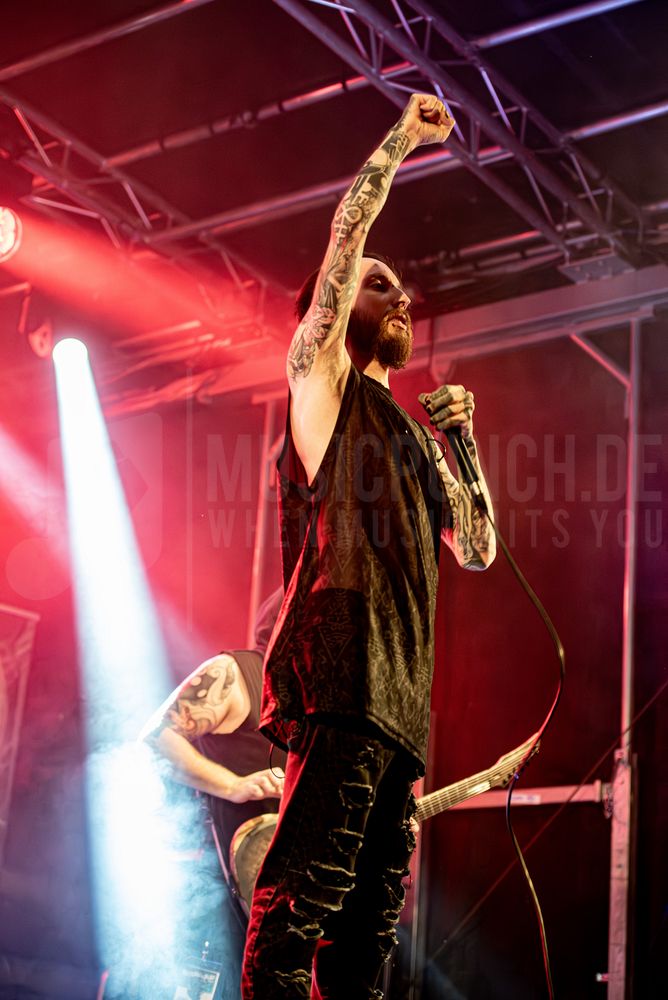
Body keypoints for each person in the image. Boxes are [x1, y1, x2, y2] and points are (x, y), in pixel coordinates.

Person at [241, 93, 496, 1000]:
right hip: (340, 676)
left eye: (401, 289)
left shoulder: (419, 437)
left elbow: (478, 548)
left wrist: (465, 442)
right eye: (377, 285)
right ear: (333, 305)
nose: (400, 296)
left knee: (368, 936)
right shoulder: (321, 379)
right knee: (299, 900)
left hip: (402, 703)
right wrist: (403, 138)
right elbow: (348, 232)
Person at [141, 587, 286, 996]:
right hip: (213, 899)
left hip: (274, 914)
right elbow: (156, 740)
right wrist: (233, 785)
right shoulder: (235, 674)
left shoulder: (314, 713)